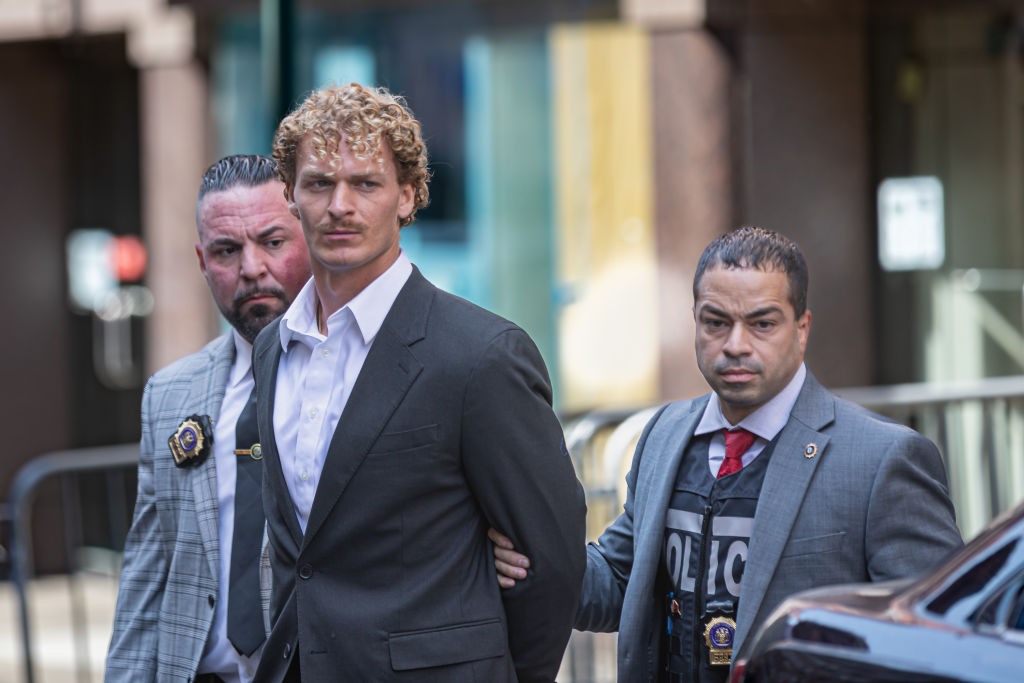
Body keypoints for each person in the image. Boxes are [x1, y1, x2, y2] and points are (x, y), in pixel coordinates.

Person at [492, 226, 964, 682]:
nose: (736, 345)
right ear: (695, 321)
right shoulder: (664, 434)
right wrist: (529, 553)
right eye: (716, 322)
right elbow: (619, 581)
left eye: (762, 324)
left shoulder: (885, 458)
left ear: (802, 329)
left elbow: (936, 639)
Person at [251, 82, 587, 683]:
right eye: (320, 183)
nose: (340, 205)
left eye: (366, 183)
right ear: (291, 196)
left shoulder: (482, 355)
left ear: (407, 196)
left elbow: (551, 563)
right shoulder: (273, 348)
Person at [106, 154, 312, 682]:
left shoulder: (355, 376)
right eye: (227, 250)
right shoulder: (170, 394)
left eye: (272, 241)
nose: (251, 268)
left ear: (309, 238)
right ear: (202, 261)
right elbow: (147, 576)